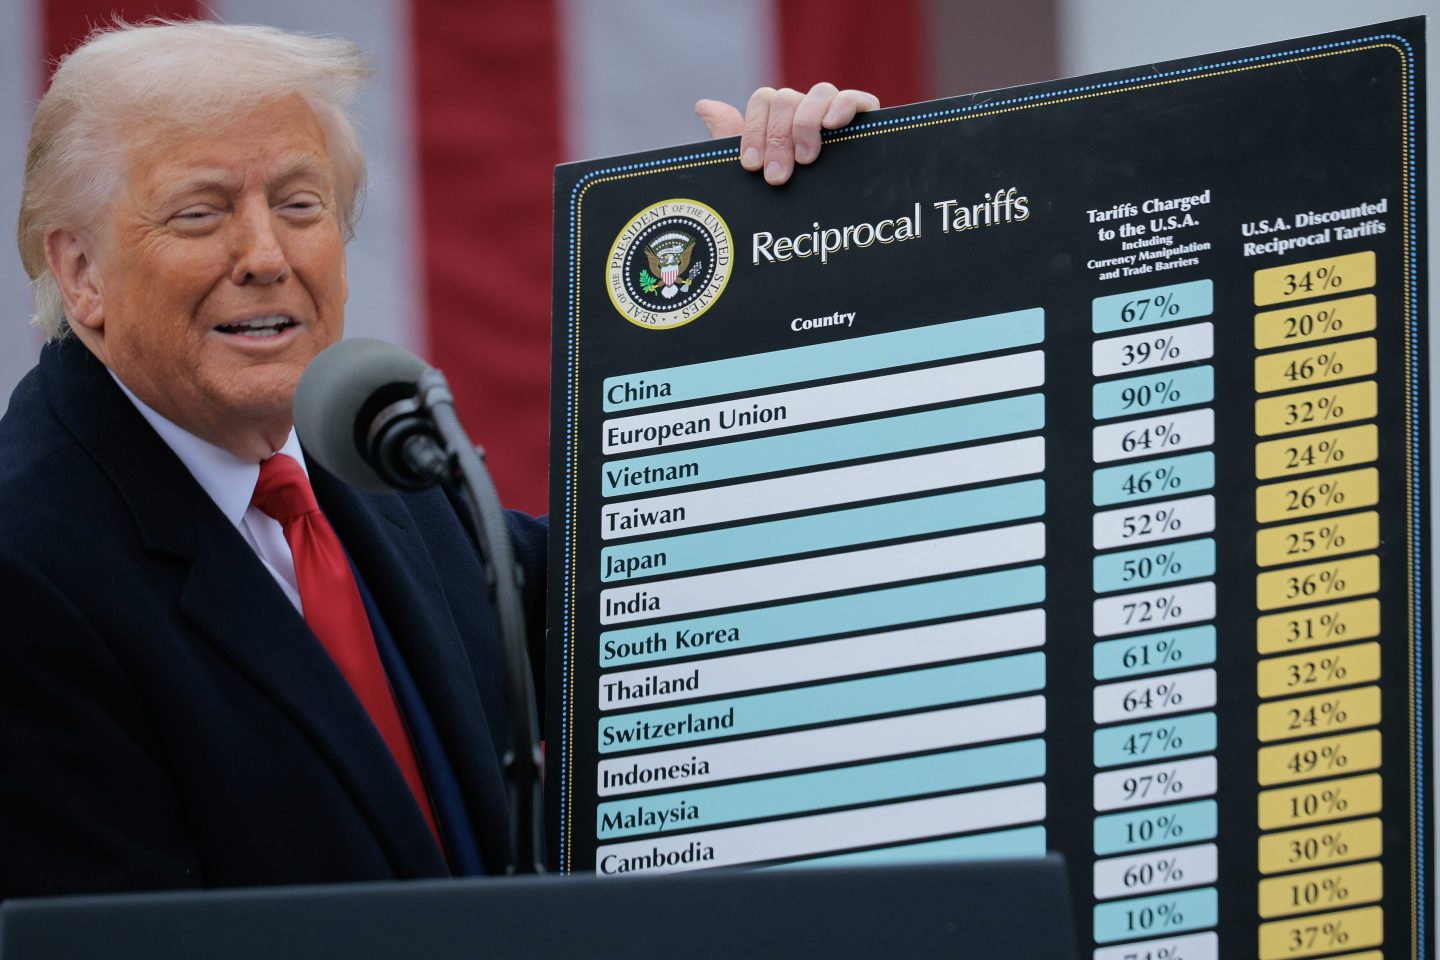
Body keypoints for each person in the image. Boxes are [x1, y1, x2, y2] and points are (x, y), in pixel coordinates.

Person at [0, 19, 876, 900]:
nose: (266, 257)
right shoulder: (28, 570)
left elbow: (658, 602)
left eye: (300, 206)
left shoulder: (377, 457)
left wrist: (792, 245)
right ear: (81, 273)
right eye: (201, 213)